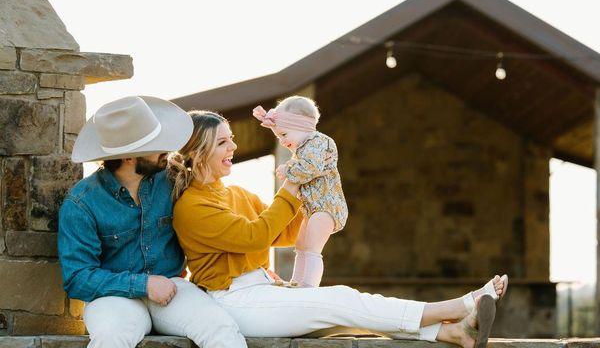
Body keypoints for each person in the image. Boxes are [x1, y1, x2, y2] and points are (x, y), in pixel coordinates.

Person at [168, 110, 509, 347]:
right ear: (199, 152)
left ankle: (453, 335)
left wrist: (318, 202)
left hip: (263, 292)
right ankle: (459, 306)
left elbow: (283, 234)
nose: (234, 148)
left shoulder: (236, 194)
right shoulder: (192, 207)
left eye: (232, 140)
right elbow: (254, 236)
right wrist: (291, 188)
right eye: (224, 143)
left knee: (348, 313)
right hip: (235, 302)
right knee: (341, 300)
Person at [57, 96, 247, 348]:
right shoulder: (82, 203)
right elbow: (78, 277)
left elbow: (217, 216)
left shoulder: (175, 179)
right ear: (129, 158)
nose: (166, 150)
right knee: (111, 338)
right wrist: (143, 284)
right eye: (156, 145)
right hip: (112, 296)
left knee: (221, 329)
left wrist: (257, 267)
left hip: (173, 288)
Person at [252, 96, 347, 288]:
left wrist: (288, 169)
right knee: (301, 245)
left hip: (327, 205)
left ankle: (309, 285)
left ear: (301, 125)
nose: (282, 141)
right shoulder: (302, 149)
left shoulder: (320, 142)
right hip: (312, 207)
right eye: (279, 137)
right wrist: (290, 165)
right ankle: (297, 282)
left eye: (284, 134)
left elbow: (311, 168)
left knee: (312, 247)